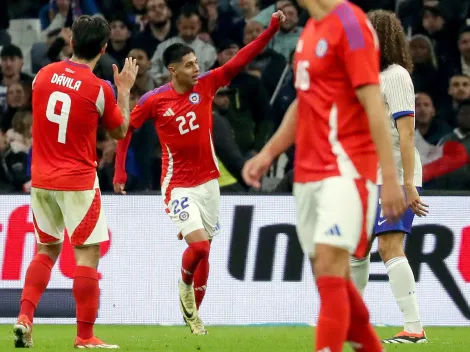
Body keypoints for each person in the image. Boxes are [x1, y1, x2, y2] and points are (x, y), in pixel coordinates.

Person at [242, 1, 407, 351]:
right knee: (332, 280)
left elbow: (374, 103)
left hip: (347, 170)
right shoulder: (311, 31)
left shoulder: (351, 24)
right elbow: (304, 103)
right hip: (307, 173)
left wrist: (390, 178)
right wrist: (268, 152)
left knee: (332, 267)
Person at [113, 11, 286, 335]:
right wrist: (120, 172)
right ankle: (184, 286)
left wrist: (271, 31)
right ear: (173, 69)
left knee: (206, 253)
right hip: (177, 185)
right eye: (190, 64)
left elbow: (240, 60)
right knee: (200, 248)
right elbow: (125, 131)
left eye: (197, 63)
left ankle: (194, 317)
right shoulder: (154, 100)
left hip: (209, 182)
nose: (197, 69)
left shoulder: (207, 85)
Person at [13, 15, 138, 349]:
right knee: (87, 255)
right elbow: (120, 130)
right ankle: (84, 336)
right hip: (78, 181)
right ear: (104, 47)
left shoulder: (42, 76)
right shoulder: (99, 88)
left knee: (45, 250)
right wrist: (123, 91)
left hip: (41, 179)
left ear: (71, 42)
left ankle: (25, 317)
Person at [348, 10, 429, 344]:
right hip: (367, 175)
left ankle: (414, 328)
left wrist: (408, 183)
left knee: (389, 245)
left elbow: (406, 134)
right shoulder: (363, 77)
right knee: (356, 249)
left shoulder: (395, 76)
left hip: (395, 175)